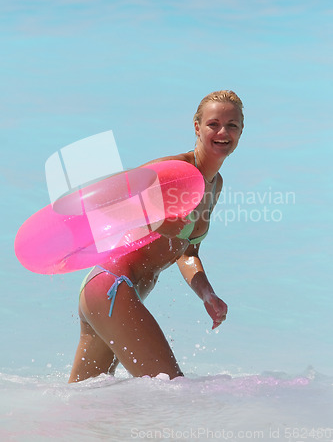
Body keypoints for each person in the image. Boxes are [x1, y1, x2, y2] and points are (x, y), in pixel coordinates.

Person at [68, 89, 244, 383]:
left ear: (241, 132)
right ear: (197, 127)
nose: (223, 132)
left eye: (232, 125)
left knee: (88, 406)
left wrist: (207, 293)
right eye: (214, 123)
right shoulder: (176, 170)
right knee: (175, 393)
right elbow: (106, 199)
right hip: (114, 285)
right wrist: (158, 222)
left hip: (114, 294)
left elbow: (187, 252)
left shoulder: (215, 185)